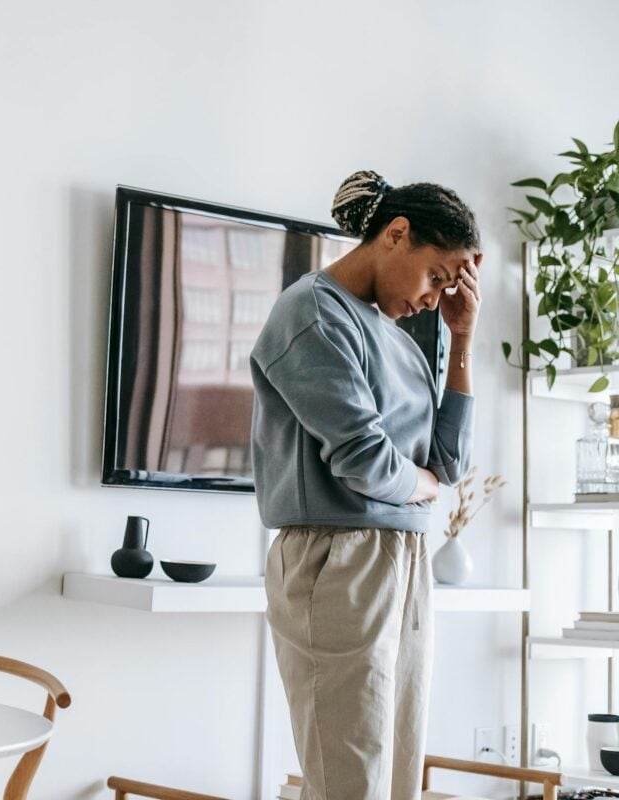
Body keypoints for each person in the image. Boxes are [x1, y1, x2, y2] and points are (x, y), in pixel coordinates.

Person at [250, 171, 481, 800]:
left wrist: (461, 340)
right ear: (397, 234)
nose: (436, 296)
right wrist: (426, 488)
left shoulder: (399, 337)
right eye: (437, 275)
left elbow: (449, 461)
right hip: (339, 560)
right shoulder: (312, 313)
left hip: (401, 560)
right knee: (348, 778)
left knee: (395, 776)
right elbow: (365, 461)